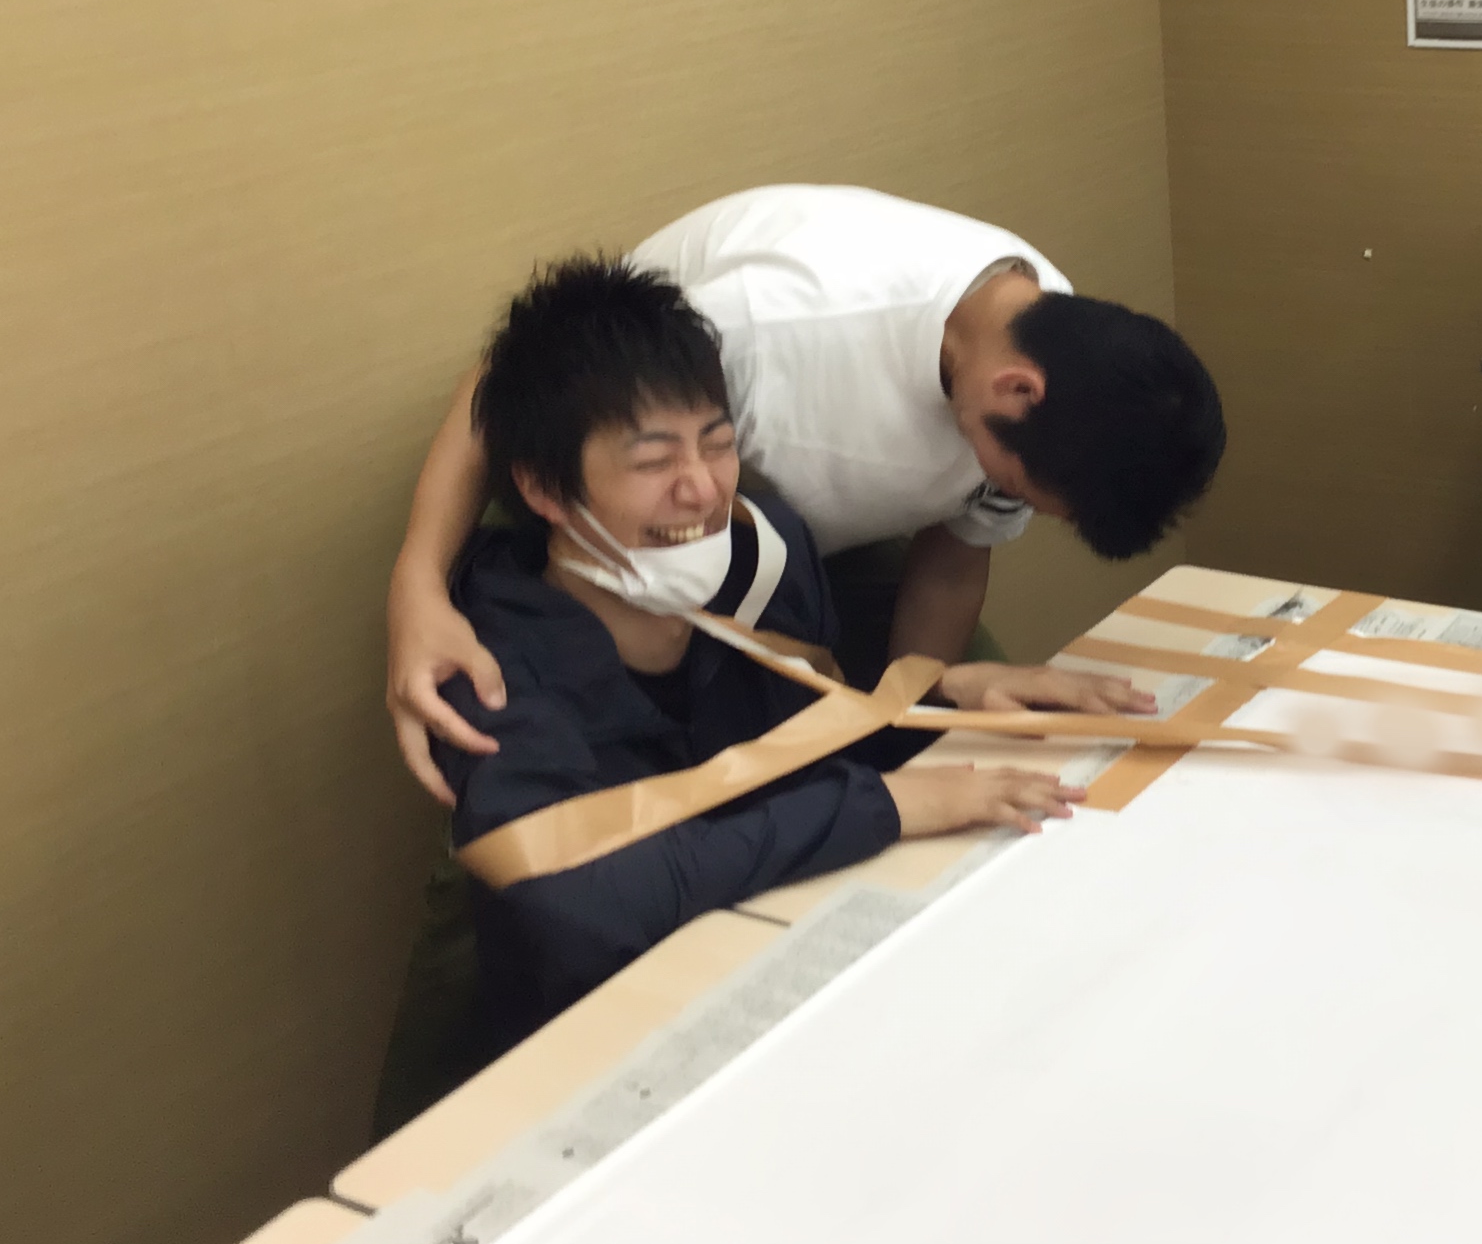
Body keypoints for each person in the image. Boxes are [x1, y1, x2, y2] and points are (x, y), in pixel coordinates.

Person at [439, 257, 1092, 1051]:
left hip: (794, 976)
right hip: (610, 1038)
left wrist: (944, 700)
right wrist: (883, 806)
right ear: (544, 490)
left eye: (717, 445)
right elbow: (574, 906)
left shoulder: (762, 554)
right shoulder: (486, 660)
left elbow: (808, 759)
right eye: (653, 462)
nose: (703, 490)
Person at [387, 186, 1222, 804]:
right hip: (629, 521)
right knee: (569, 789)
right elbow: (510, 383)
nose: (1008, 500)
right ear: (1014, 391)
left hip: (794, 539)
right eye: (1014, 486)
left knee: (968, 736)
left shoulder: (1061, 347)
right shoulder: (778, 324)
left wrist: (920, 697)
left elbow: (957, 549)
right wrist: (418, 588)